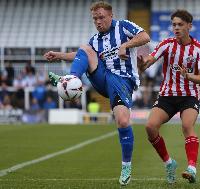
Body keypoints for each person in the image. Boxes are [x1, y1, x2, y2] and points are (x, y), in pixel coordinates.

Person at [43, 1, 150, 186]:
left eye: (101, 17)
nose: (98, 22)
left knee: (123, 121)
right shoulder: (95, 40)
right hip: (102, 78)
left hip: (123, 80)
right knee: (85, 49)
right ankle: (70, 79)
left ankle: (126, 166)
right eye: (95, 19)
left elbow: (145, 36)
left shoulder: (123, 26)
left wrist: (126, 45)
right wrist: (58, 55)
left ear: (110, 16)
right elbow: (80, 55)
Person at [138, 10, 200, 184]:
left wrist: (189, 76)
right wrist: (142, 64)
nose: (176, 28)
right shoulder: (167, 44)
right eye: (174, 24)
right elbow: (150, 60)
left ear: (189, 26)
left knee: (186, 125)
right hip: (167, 95)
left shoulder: (199, 49)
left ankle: (192, 167)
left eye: (180, 24)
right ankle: (169, 163)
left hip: (189, 95)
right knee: (150, 127)